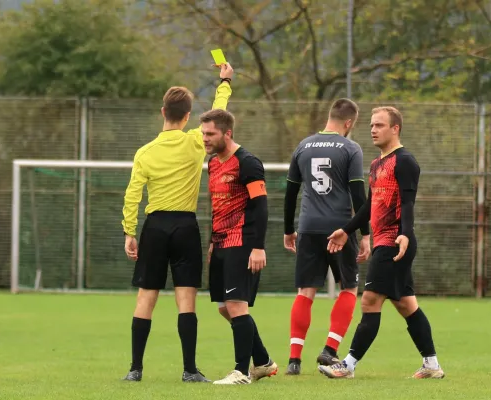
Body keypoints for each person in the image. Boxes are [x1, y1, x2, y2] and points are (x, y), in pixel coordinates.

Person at [120, 63, 234, 383]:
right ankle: (189, 370)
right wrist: (224, 82)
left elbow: (133, 194)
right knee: (186, 299)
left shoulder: (145, 152)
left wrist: (130, 231)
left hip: (154, 227)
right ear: (187, 117)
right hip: (185, 226)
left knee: (146, 298)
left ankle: (135, 369)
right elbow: (218, 112)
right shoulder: (195, 141)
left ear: (163, 112)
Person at [318, 106, 445, 380]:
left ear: (395, 128)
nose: (373, 130)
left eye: (379, 125)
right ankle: (432, 365)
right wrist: (346, 229)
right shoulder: (377, 164)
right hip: (384, 242)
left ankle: (348, 365)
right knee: (406, 305)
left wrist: (405, 233)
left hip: (395, 243)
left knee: (370, 300)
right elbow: (369, 208)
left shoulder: (405, 161)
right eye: (372, 125)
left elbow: (409, 203)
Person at [283, 99, 368, 375]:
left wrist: (288, 229)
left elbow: (290, 193)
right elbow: (358, 194)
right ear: (349, 123)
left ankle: (294, 360)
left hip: (308, 227)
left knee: (305, 291)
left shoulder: (303, 146)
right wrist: (364, 233)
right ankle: (330, 350)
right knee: (348, 288)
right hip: (340, 228)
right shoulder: (350, 148)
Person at [200, 108, 277, 385]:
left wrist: (258, 247)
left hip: (242, 242)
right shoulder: (213, 163)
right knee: (224, 307)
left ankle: (241, 372)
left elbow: (261, 206)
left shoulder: (248, 162)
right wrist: (212, 241)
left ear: (227, 133)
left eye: (211, 134)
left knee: (235, 305)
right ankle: (264, 362)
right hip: (220, 243)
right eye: (203, 133)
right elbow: (217, 207)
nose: (205, 139)